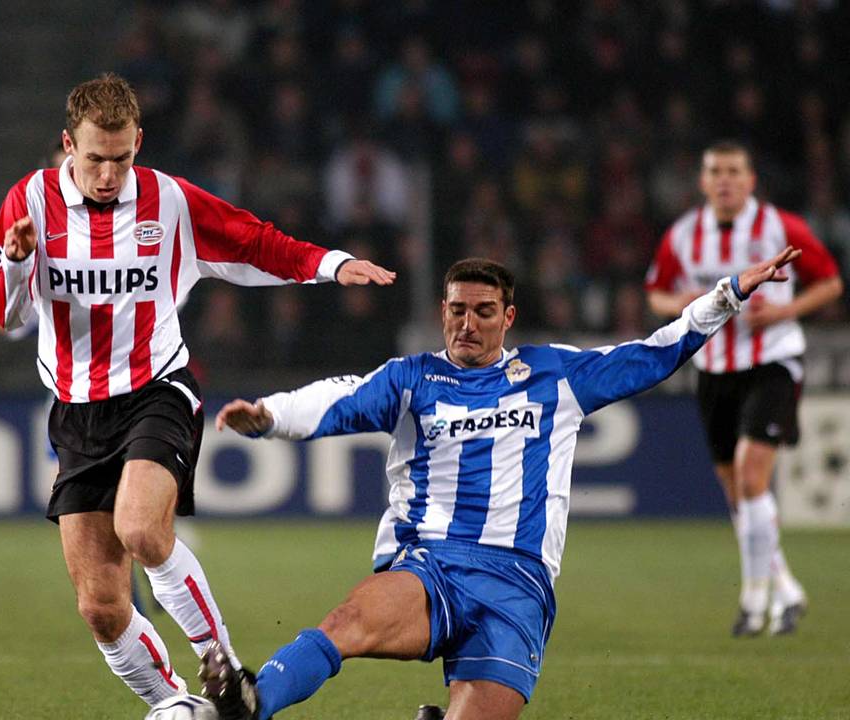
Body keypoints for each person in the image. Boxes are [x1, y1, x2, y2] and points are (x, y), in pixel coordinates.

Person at [203, 250, 801, 720]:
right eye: (457, 310)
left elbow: (653, 354)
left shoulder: (553, 374)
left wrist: (728, 295)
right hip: (432, 562)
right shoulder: (414, 377)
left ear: (507, 317)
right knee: (347, 623)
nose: (467, 323)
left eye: (483, 311)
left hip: (519, 581)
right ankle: (253, 701)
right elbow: (341, 397)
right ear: (442, 311)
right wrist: (273, 417)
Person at [0, 72, 395, 707]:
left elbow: (251, 241)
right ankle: (174, 701)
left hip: (157, 392)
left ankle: (219, 665)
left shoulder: (169, 201)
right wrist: (14, 260)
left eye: (122, 158)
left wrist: (331, 264)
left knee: (143, 530)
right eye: (95, 159)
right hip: (76, 414)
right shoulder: (28, 203)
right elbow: (4, 317)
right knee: (100, 605)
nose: (109, 174)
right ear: (68, 145)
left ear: (138, 142)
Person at [645, 141, 843, 636]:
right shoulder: (684, 235)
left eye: (734, 171)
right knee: (739, 495)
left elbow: (831, 282)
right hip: (712, 367)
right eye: (716, 171)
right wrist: (683, 303)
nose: (725, 180)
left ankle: (754, 602)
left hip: (772, 360)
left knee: (753, 477)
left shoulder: (782, 227)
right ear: (703, 180)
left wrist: (782, 311)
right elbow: (655, 294)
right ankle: (788, 590)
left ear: (751, 180)